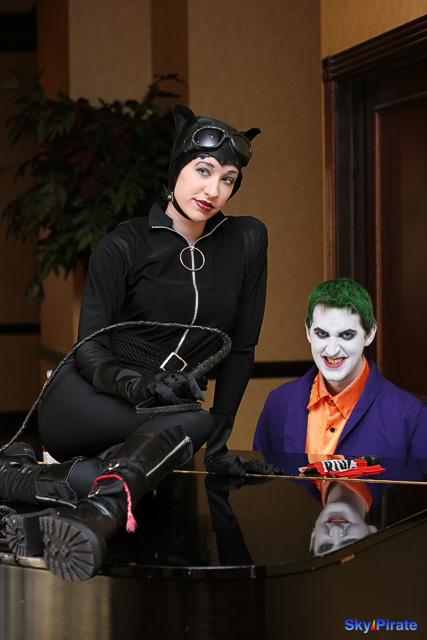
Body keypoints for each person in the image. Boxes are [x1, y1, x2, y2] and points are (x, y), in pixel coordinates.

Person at [0, 103, 281, 582]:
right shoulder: (123, 244)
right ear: (177, 167)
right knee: (193, 417)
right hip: (86, 399)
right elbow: (88, 351)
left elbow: (241, 348)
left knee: (152, 464)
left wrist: (216, 449)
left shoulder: (247, 240)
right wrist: (140, 385)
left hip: (160, 418)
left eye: (228, 179)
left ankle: (21, 482)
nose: (214, 190)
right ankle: (99, 515)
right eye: (203, 170)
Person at [253, 278, 427, 457]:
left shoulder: (413, 417)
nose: (332, 350)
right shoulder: (277, 403)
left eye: (346, 335)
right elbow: (260, 473)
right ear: (308, 332)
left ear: (369, 333)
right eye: (322, 334)